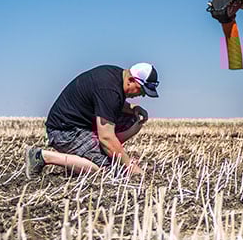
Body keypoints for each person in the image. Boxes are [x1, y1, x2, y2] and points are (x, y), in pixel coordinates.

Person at [24, 63, 159, 177]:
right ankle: (41, 156)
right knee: (107, 169)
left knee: (131, 120)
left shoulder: (115, 76)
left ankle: (98, 151)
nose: (141, 95)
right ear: (130, 80)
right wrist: (131, 168)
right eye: (142, 90)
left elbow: (109, 103)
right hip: (64, 131)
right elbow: (106, 137)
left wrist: (133, 109)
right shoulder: (108, 89)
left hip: (81, 125)